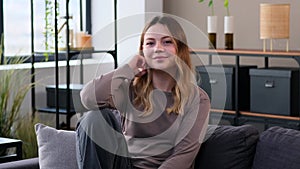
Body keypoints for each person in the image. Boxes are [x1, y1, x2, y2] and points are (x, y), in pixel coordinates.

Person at [76, 15, 210, 169]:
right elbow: (88, 98)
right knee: (94, 117)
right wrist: (128, 68)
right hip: (123, 164)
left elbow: (183, 156)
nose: (158, 48)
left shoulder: (197, 99)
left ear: (179, 49)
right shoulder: (130, 88)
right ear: (143, 51)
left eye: (167, 42)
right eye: (150, 43)